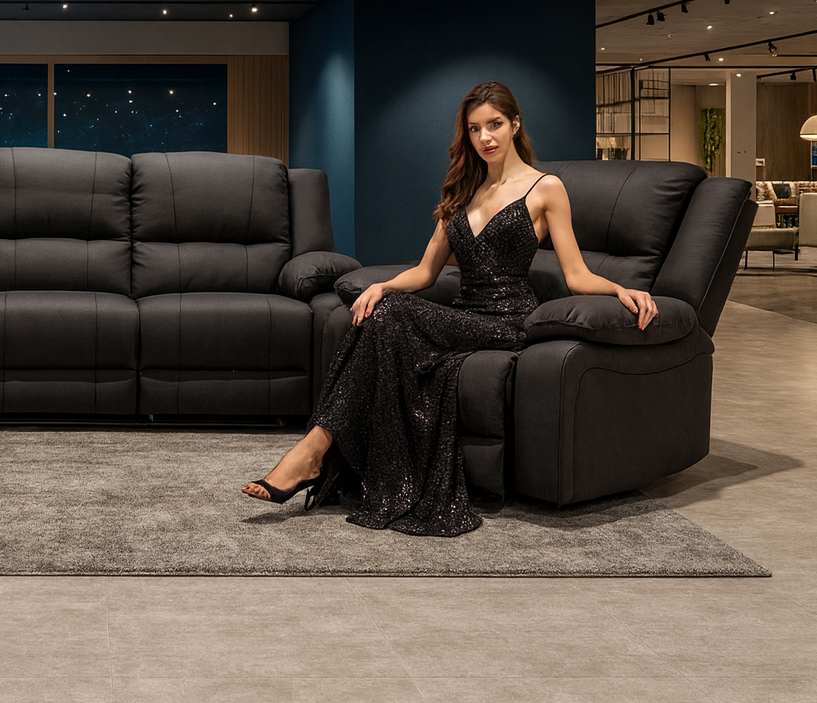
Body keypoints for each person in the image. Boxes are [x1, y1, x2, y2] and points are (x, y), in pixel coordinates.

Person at [241, 81, 658, 536]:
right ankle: (315, 452)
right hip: (462, 315)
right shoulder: (462, 190)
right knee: (382, 313)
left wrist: (621, 290)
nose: (486, 137)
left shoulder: (545, 189)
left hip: (507, 321)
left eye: (495, 125)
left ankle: (311, 451)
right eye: (476, 128)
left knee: (391, 315)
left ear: (515, 125)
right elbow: (424, 271)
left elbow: (576, 275)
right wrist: (380, 285)